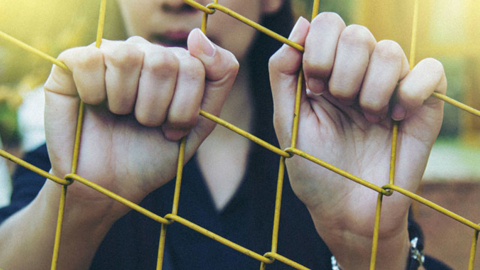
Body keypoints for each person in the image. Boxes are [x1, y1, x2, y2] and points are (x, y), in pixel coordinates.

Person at [0, 0, 451, 269]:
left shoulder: (349, 152)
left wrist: (370, 248)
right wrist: (77, 206)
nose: (174, 1)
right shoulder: (65, 162)